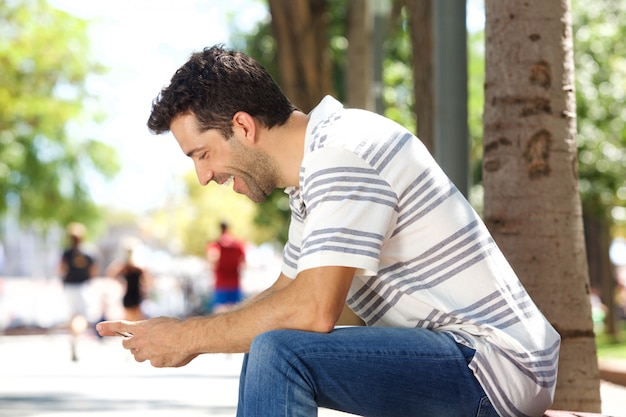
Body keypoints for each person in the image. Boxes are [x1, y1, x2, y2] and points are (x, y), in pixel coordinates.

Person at [97, 45, 560, 417]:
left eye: (202, 154)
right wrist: (184, 328)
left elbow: (313, 310)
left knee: (281, 352)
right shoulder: (314, 172)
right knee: (271, 343)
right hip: (466, 358)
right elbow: (286, 294)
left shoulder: (342, 154)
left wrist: (188, 339)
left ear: (242, 126)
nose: (204, 176)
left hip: (492, 365)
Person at [59, 222, 97, 361]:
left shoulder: (66, 253)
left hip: (69, 287)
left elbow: (61, 269)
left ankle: (73, 338)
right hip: (82, 286)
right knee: (82, 317)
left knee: (73, 314)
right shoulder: (89, 252)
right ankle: (76, 337)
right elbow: (94, 271)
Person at [106, 239, 151, 322]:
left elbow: (111, 273)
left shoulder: (132, 267)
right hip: (133, 295)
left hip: (134, 295)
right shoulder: (130, 267)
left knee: (133, 320)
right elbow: (111, 274)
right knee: (134, 320)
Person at [206, 221, 246, 313]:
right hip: (235, 284)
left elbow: (212, 261)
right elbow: (244, 263)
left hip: (221, 284)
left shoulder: (215, 245)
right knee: (237, 314)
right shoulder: (238, 245)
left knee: (219, 315)